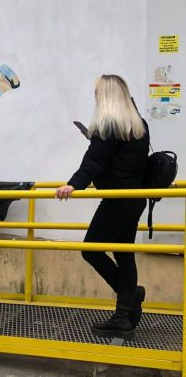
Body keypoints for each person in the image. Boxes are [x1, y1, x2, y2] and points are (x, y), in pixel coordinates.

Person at [55, 75, 149, 339]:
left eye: (97, 92)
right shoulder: (137, 123)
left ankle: (130, 297)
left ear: (106, 95)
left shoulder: (109, 124)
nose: (94, 96)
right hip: (135, 199)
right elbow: (118, 160)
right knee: (124, 254)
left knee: (91, 250)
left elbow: (94, 161)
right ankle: (123, 316)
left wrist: (73, 185)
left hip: (117, 201)